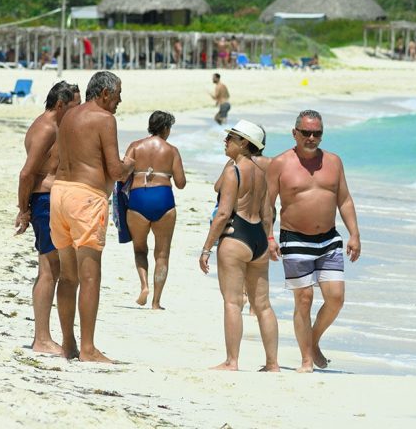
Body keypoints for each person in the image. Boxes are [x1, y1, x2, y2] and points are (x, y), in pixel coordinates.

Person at [266, 110, 361, 373]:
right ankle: (306, 360)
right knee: (304, 299)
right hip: (294, 238)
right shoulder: (280, 163)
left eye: (316, 133)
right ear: (294, 133)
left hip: (329, 239)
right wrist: (270, 236)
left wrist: (354, 233)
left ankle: (313, 341)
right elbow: (267, 204)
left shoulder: (333, 162)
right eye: (305, 132)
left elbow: (344, 199)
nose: (311, 137)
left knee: (336, 298)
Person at [51, 71, 134, 362]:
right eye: (118, 94)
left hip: (59, 194)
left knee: (67, 276)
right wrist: (130, 165)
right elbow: (115, 170)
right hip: (86, 198)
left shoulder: (69, 116)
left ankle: (68, 344)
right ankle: (87, 348)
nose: (120, 100)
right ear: (104, 93)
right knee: (90, 276)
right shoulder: (104, 118)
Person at [199, 120, 279, 372]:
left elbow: (223, 214)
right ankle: (272, 363)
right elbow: (268, 212)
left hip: (237, 236)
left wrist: (206, 248)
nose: (226, 141)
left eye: (231, 138)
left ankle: (232, 361)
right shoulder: (264, 171)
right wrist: (269, 239)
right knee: (263, 305)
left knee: (233, 303)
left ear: (244, 143)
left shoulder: (234, 171)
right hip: (259, 239)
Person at [15, 82, 81, 356]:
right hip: (43, 202)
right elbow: (27, 174)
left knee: (54, 269)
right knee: (49, 269)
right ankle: (41, 338)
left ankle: (44, 336)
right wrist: (23, 210)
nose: (78, 113)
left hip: (51, 201)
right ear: (60, 105)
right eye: (75, 107)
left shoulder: (58, 127)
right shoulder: (46, 128)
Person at [124, 111, 186, 309]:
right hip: (163, 200)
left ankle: (144, 286)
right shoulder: (172, 150)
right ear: (166, 128)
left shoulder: (135, 146)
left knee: (140, 248)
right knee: (162, 254)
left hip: (138, 199)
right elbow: (181, 183)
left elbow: (121, 173)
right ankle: (156, 302)